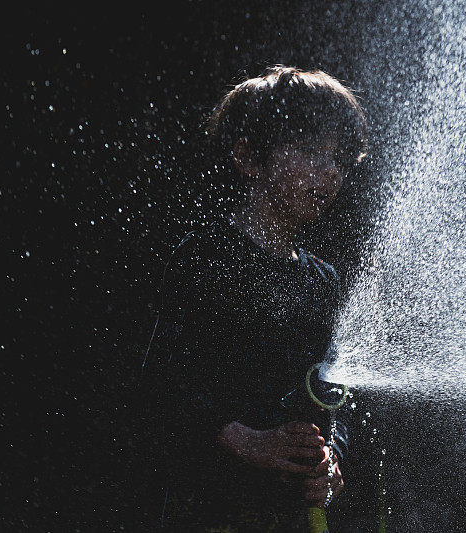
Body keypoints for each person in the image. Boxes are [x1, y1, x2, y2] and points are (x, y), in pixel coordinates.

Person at [140, 65, 368, 531]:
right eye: (308, 151)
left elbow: (331, 396)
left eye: (339, 160)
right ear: (248, 157)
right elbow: (160, 379)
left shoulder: (320, 282)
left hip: (286, 515)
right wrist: (246, 440)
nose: (327, 172)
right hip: (205, 506)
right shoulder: (204, 258)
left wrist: (332, 461)